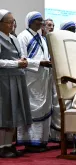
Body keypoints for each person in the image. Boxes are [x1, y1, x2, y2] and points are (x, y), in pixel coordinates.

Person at [16, 11, 52, 153]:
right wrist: (40, 62)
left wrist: (47, 63)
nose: (40, 22)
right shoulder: (22, 37)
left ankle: (41, 140)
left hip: (43, 78)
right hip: (30, 78)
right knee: (31, 109)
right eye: (37, 20)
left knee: (43, 107)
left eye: (41, 20)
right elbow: (22, 59)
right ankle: (29, 141)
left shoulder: (42, 38)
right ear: (30, 22)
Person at [0, 9, 32, 158]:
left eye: (13, 21)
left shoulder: (13, 38)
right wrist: (16, 64)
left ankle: (9, 145)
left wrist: (23, 60)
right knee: (4, 113)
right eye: (9, 22)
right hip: (4, 80)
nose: (13, 24)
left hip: (17, 78)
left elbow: (19, 56)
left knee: (14, 113)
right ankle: (1, 147)